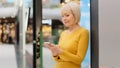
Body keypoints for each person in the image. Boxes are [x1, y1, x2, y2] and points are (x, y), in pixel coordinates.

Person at [43, 2, 89, 68]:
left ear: (76, 15)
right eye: (62, 16)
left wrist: (61, 52)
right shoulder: (63, 33)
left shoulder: (83, 32)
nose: (64, 19)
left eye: (67, 15)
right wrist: (54, 52)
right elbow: (58, 59)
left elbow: (79, 59)